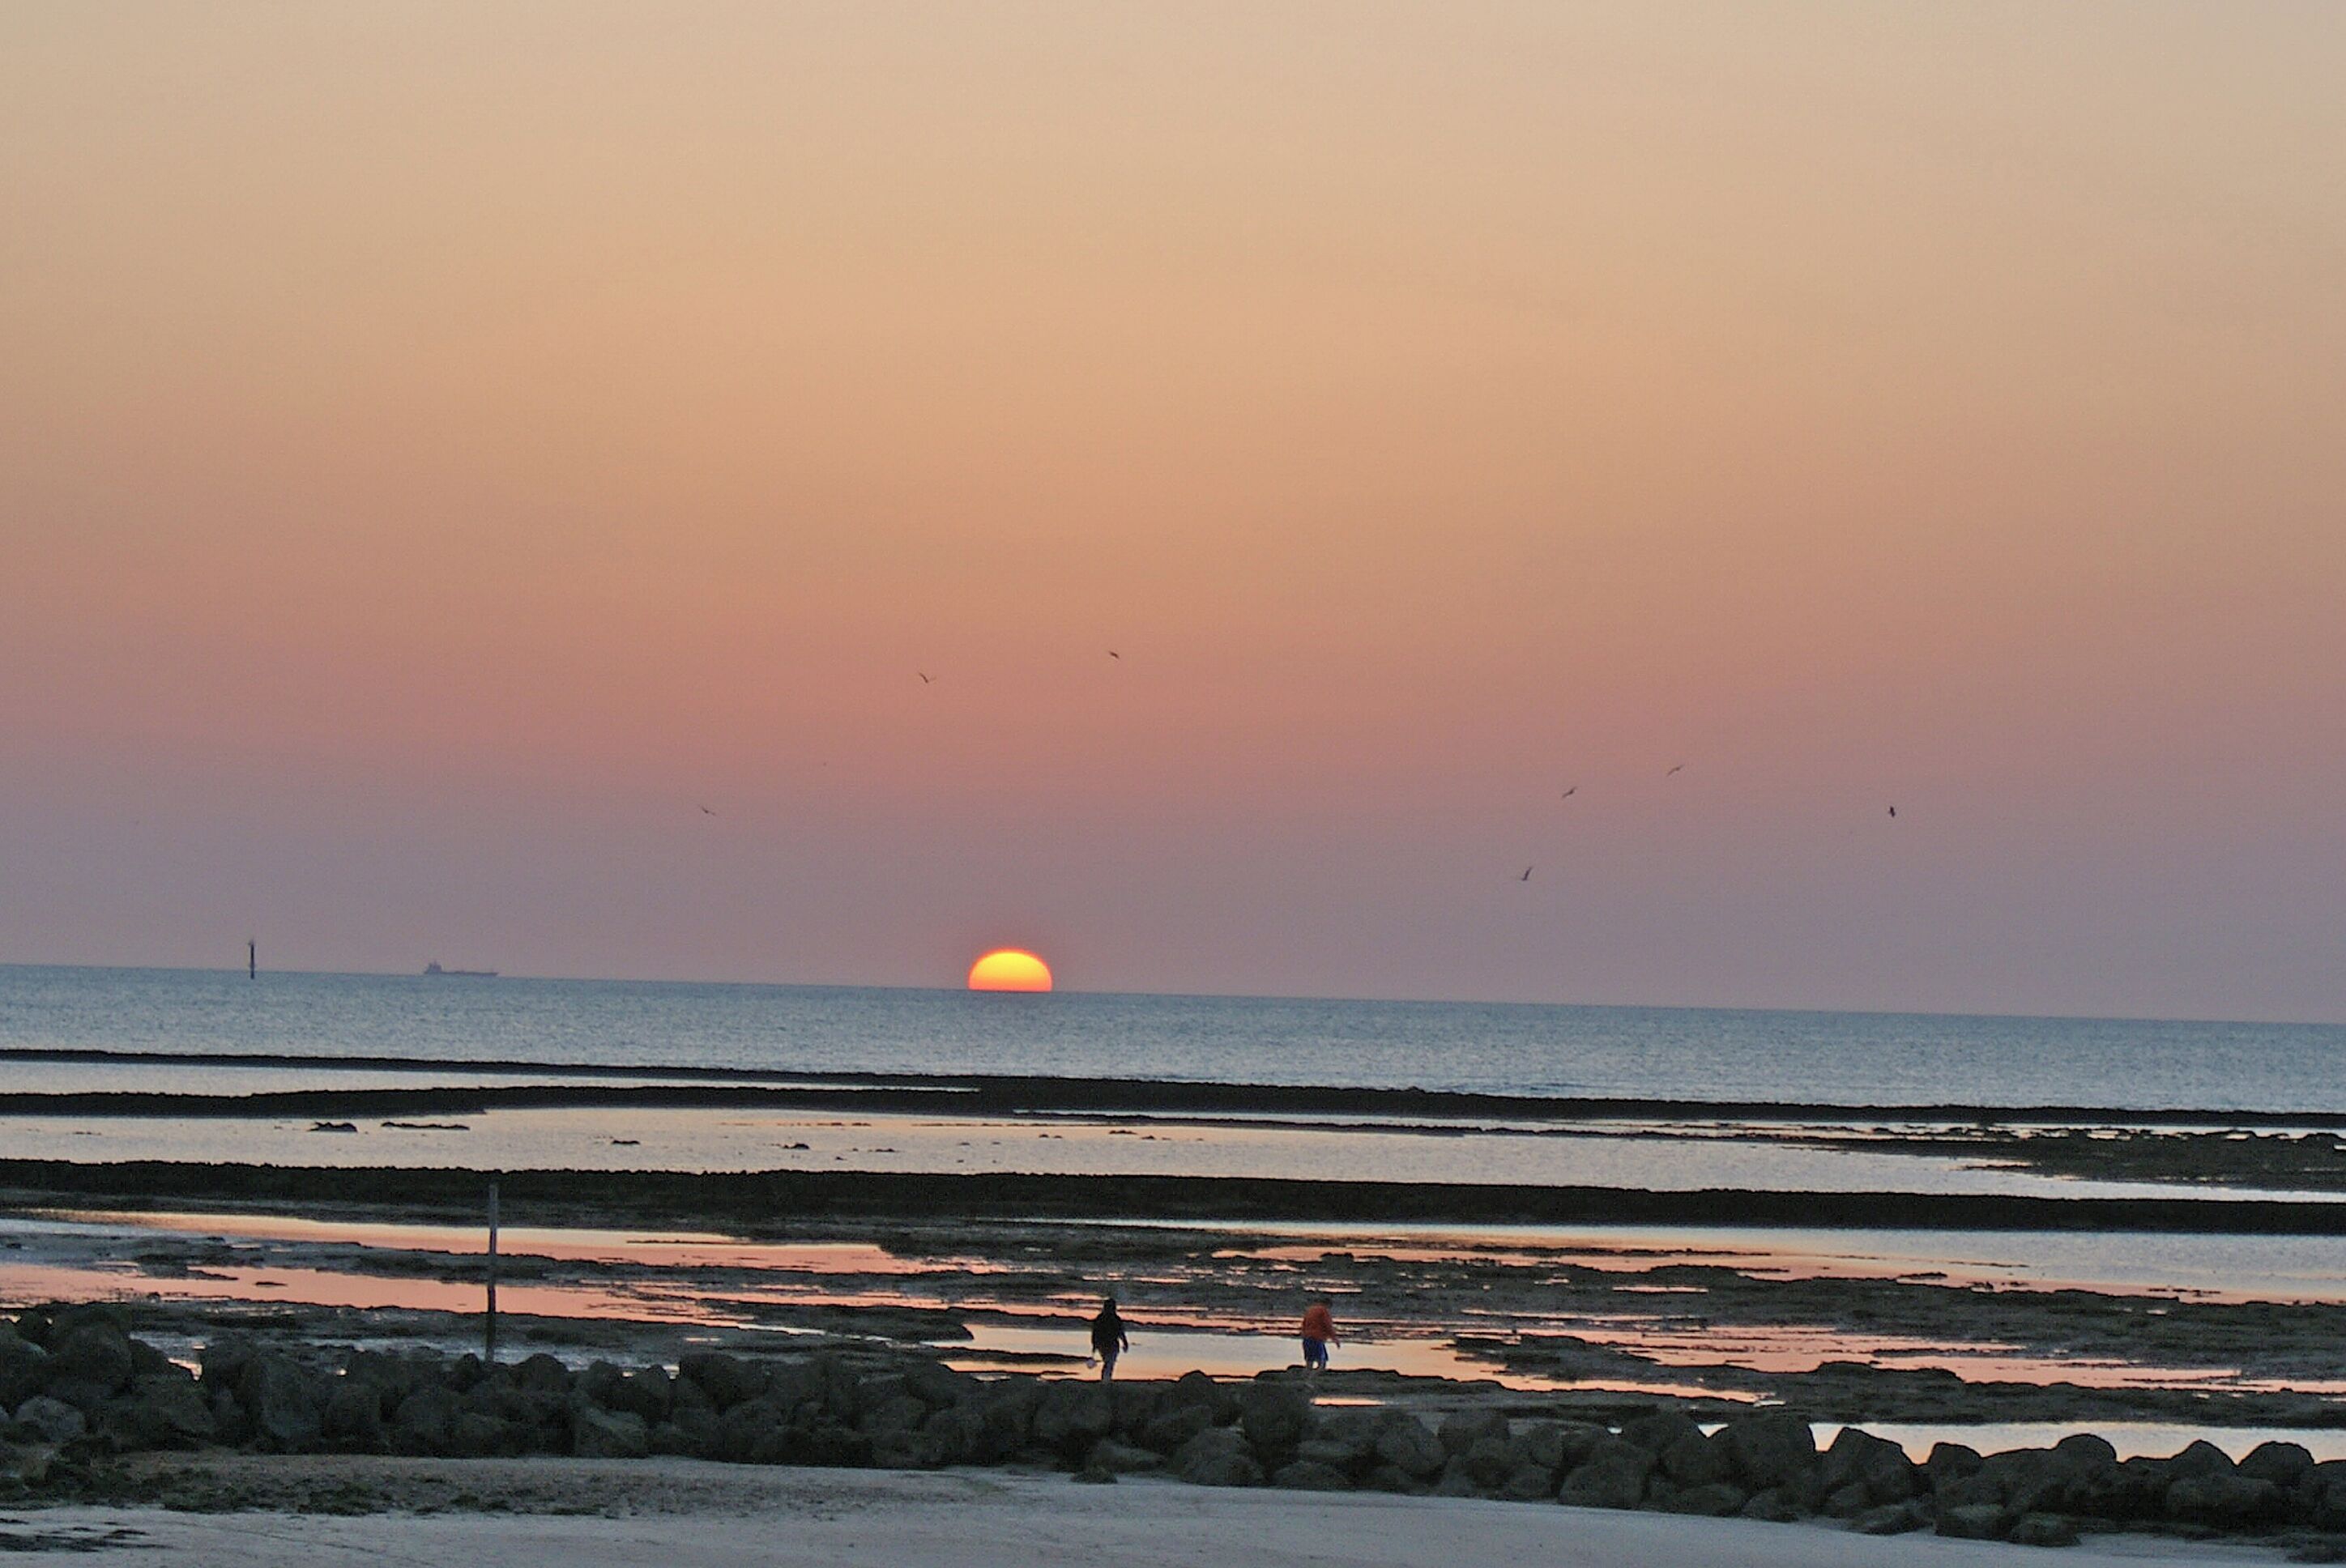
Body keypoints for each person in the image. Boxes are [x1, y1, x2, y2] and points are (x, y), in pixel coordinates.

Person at [1089, 1295, 1129, 1381]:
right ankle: (1106, 1379)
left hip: (1102, 1344)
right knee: (1110, 1362)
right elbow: (1121, 1332)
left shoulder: (1100, 1318)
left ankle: (1105, 1379)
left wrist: (1094, 1345)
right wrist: (1125, 1343)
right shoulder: (1116, 1319)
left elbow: (1095, 1333)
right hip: (1112, 1344)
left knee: (1108, 1362)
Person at [1300, 1298, 1338, 1372]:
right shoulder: (1323, 1311)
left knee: (1309, 1361)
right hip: (1317, 1338)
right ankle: (1317, 1376)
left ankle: (1306, 1375)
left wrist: (1304, 1334)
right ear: (1328, 1305)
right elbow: (1328, 1325)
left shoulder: (1310, 1310)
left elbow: (1304, 1324)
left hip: (1307, 1337)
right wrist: (1335, 1338)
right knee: (1322, 1361)